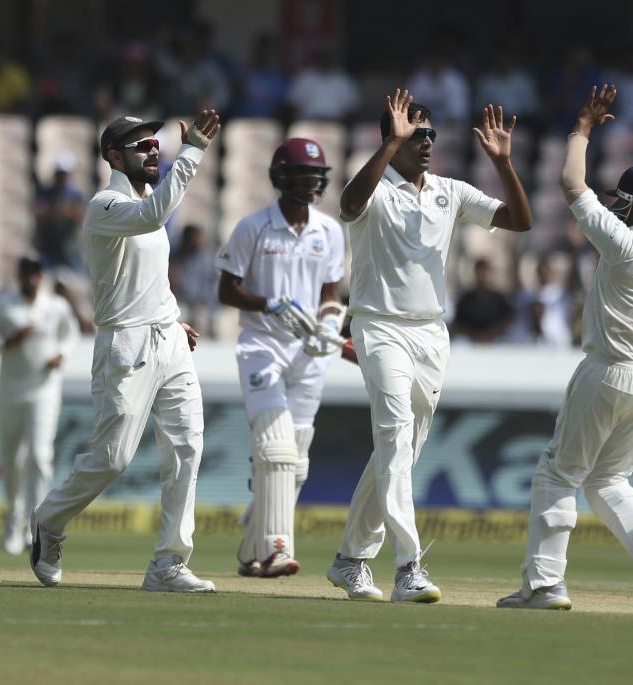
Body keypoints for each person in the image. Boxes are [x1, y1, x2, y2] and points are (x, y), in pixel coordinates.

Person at [327, 90, 532, 603]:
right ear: (391, 139)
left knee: (399, 452)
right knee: (395, 437)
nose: (426, 143)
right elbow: (349, 205)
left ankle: (350, 559)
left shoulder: (450, 190)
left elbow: (519, 220)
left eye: (430, 135)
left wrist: (504, 164)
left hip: (430, 334)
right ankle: (407, 567)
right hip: (378, 326)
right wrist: (387, 146)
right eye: (415, 135)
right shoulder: (373, 186)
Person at [497, 86, 633, 613]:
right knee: (609, 479)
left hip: (606, 372)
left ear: (632, 206)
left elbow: (569, 182)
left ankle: (544, 586)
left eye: (622, 201)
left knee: (558, 473)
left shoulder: (624, 244)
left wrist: (582, 129)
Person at [29, 109, 221, 593]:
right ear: (115, 156)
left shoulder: (140, 203)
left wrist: (173, 321)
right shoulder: (104, 206)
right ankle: (49, 521)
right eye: (143, 146)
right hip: (125, 343)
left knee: (187, 446)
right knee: (112, 458)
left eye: (156, 144)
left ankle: (168, 563)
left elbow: (146, 275)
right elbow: (155, 214)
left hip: (168, 337)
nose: (154, 149)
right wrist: (193, 150)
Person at [216, 138, 345, 579]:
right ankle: (275, 549)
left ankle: (252, 545)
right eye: (304, 175)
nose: (313, 183)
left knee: (298, 460)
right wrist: (269, 303)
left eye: (318, 176)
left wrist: (329, 325)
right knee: (275, 448)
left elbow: (331, 294)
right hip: (262, 347)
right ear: (281, 178)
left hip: (309, 353)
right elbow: (226, 290)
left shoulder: (329, 231)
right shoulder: (253, 227)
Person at [0, 256, 78, 554]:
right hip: (10, 391)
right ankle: (13, 518)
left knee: (39, 455)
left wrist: (61, 354)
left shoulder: (56, 306)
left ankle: (34, 524)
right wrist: (8, 341)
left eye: (37, 275)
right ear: (19, 276)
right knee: (12, 459)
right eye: (28, 275)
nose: (33, 280)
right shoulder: (1, 306)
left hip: (44, 391)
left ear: (42, 277)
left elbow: (70, 334)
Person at [452, 258, 514, 343]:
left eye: (484, 273)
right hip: (471, 342)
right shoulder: (466, 300)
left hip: (495, 341)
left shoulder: (499, 299)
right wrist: (474, 335)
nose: (482, 277)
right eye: (479, 273)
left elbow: (509, 320)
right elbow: (458, 325)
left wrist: (492, 333)